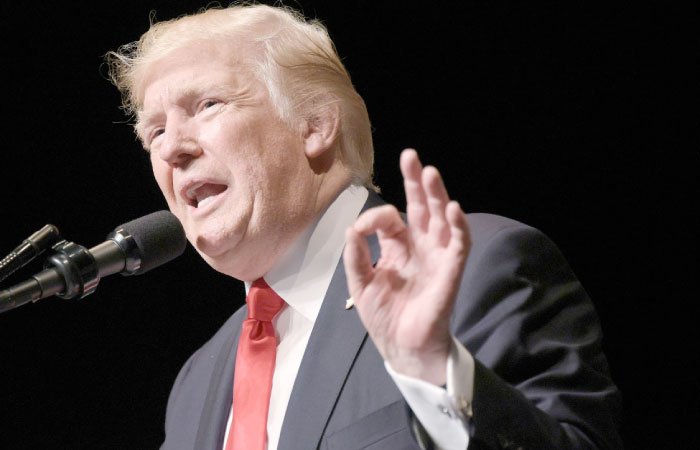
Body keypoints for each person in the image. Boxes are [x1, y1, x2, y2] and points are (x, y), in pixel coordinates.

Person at [107, 4, 622, 450]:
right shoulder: (198, 381)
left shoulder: (479, 264)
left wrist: (434, 372)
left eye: (207, 105)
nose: (172, 148)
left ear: (315, 125)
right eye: (153, 132)